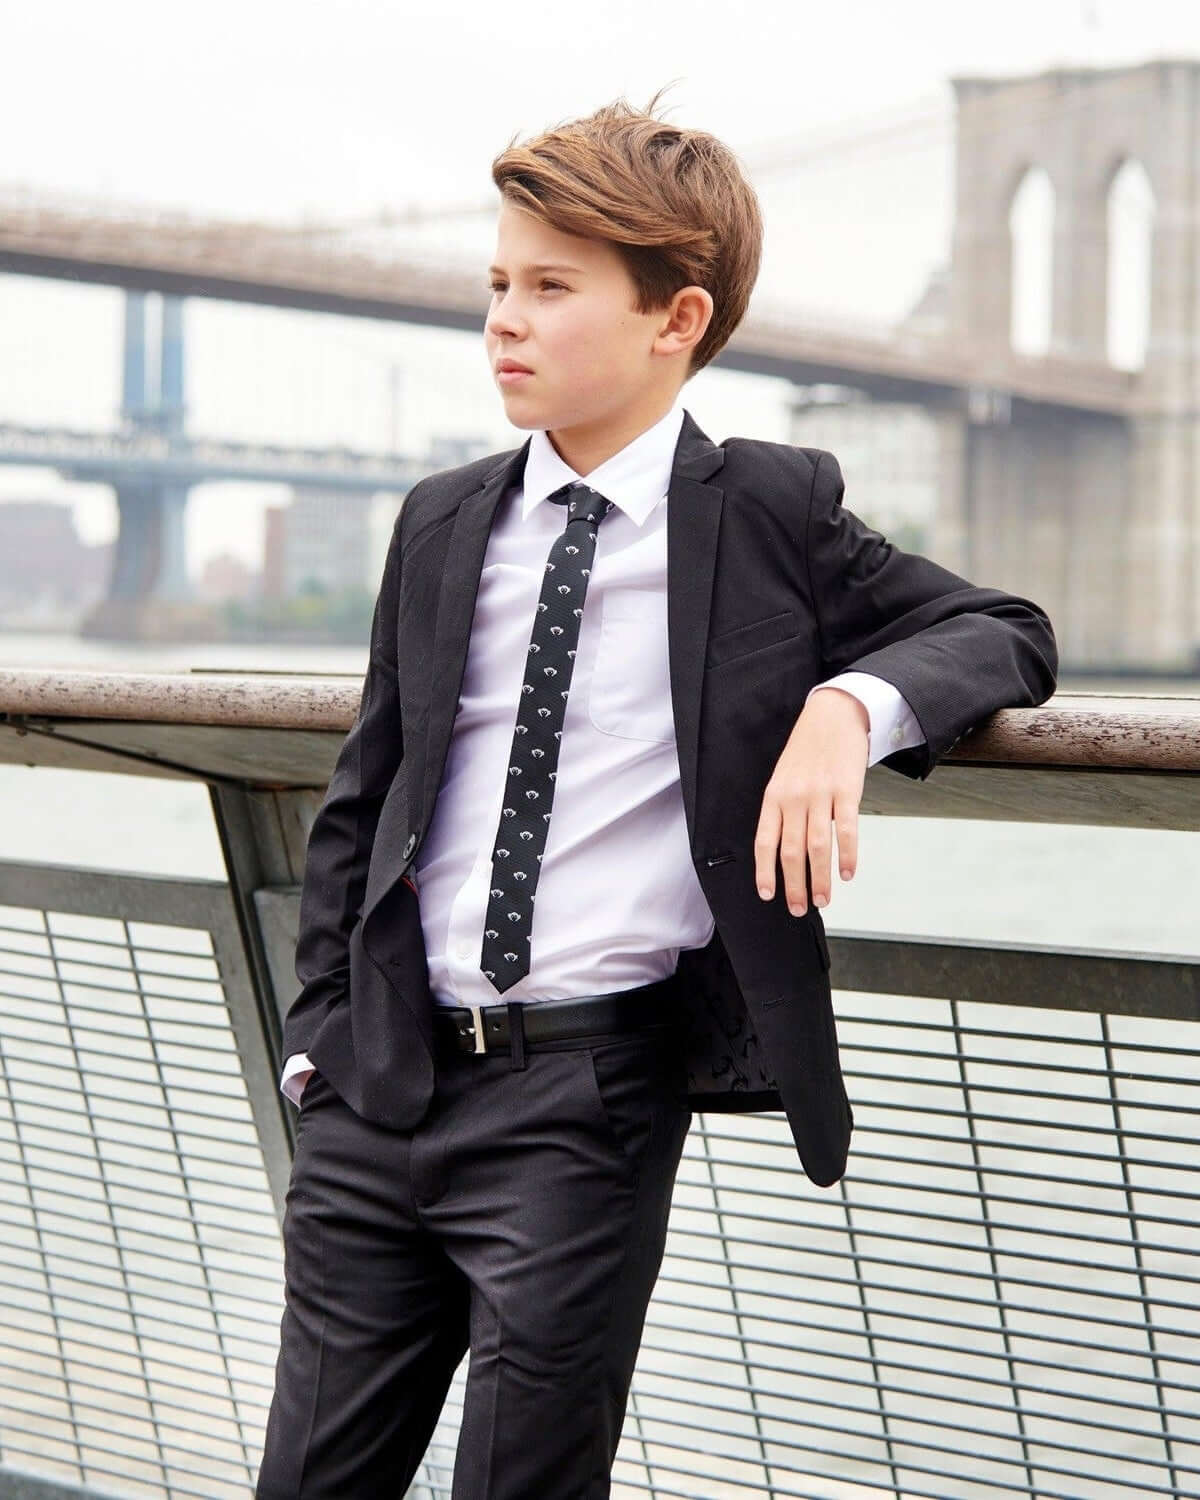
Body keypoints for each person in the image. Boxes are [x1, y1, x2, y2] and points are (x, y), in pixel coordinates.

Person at [254, 87, 1057, 1499]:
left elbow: (1005, 630)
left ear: (674, 321)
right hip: (376, 1094)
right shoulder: (441, 519)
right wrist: (318, 1046)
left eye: (551, 288)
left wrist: (844, 708)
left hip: (579, 1106)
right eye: (499, 283)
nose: (503, 317)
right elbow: (363, 796)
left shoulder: (765, 509)